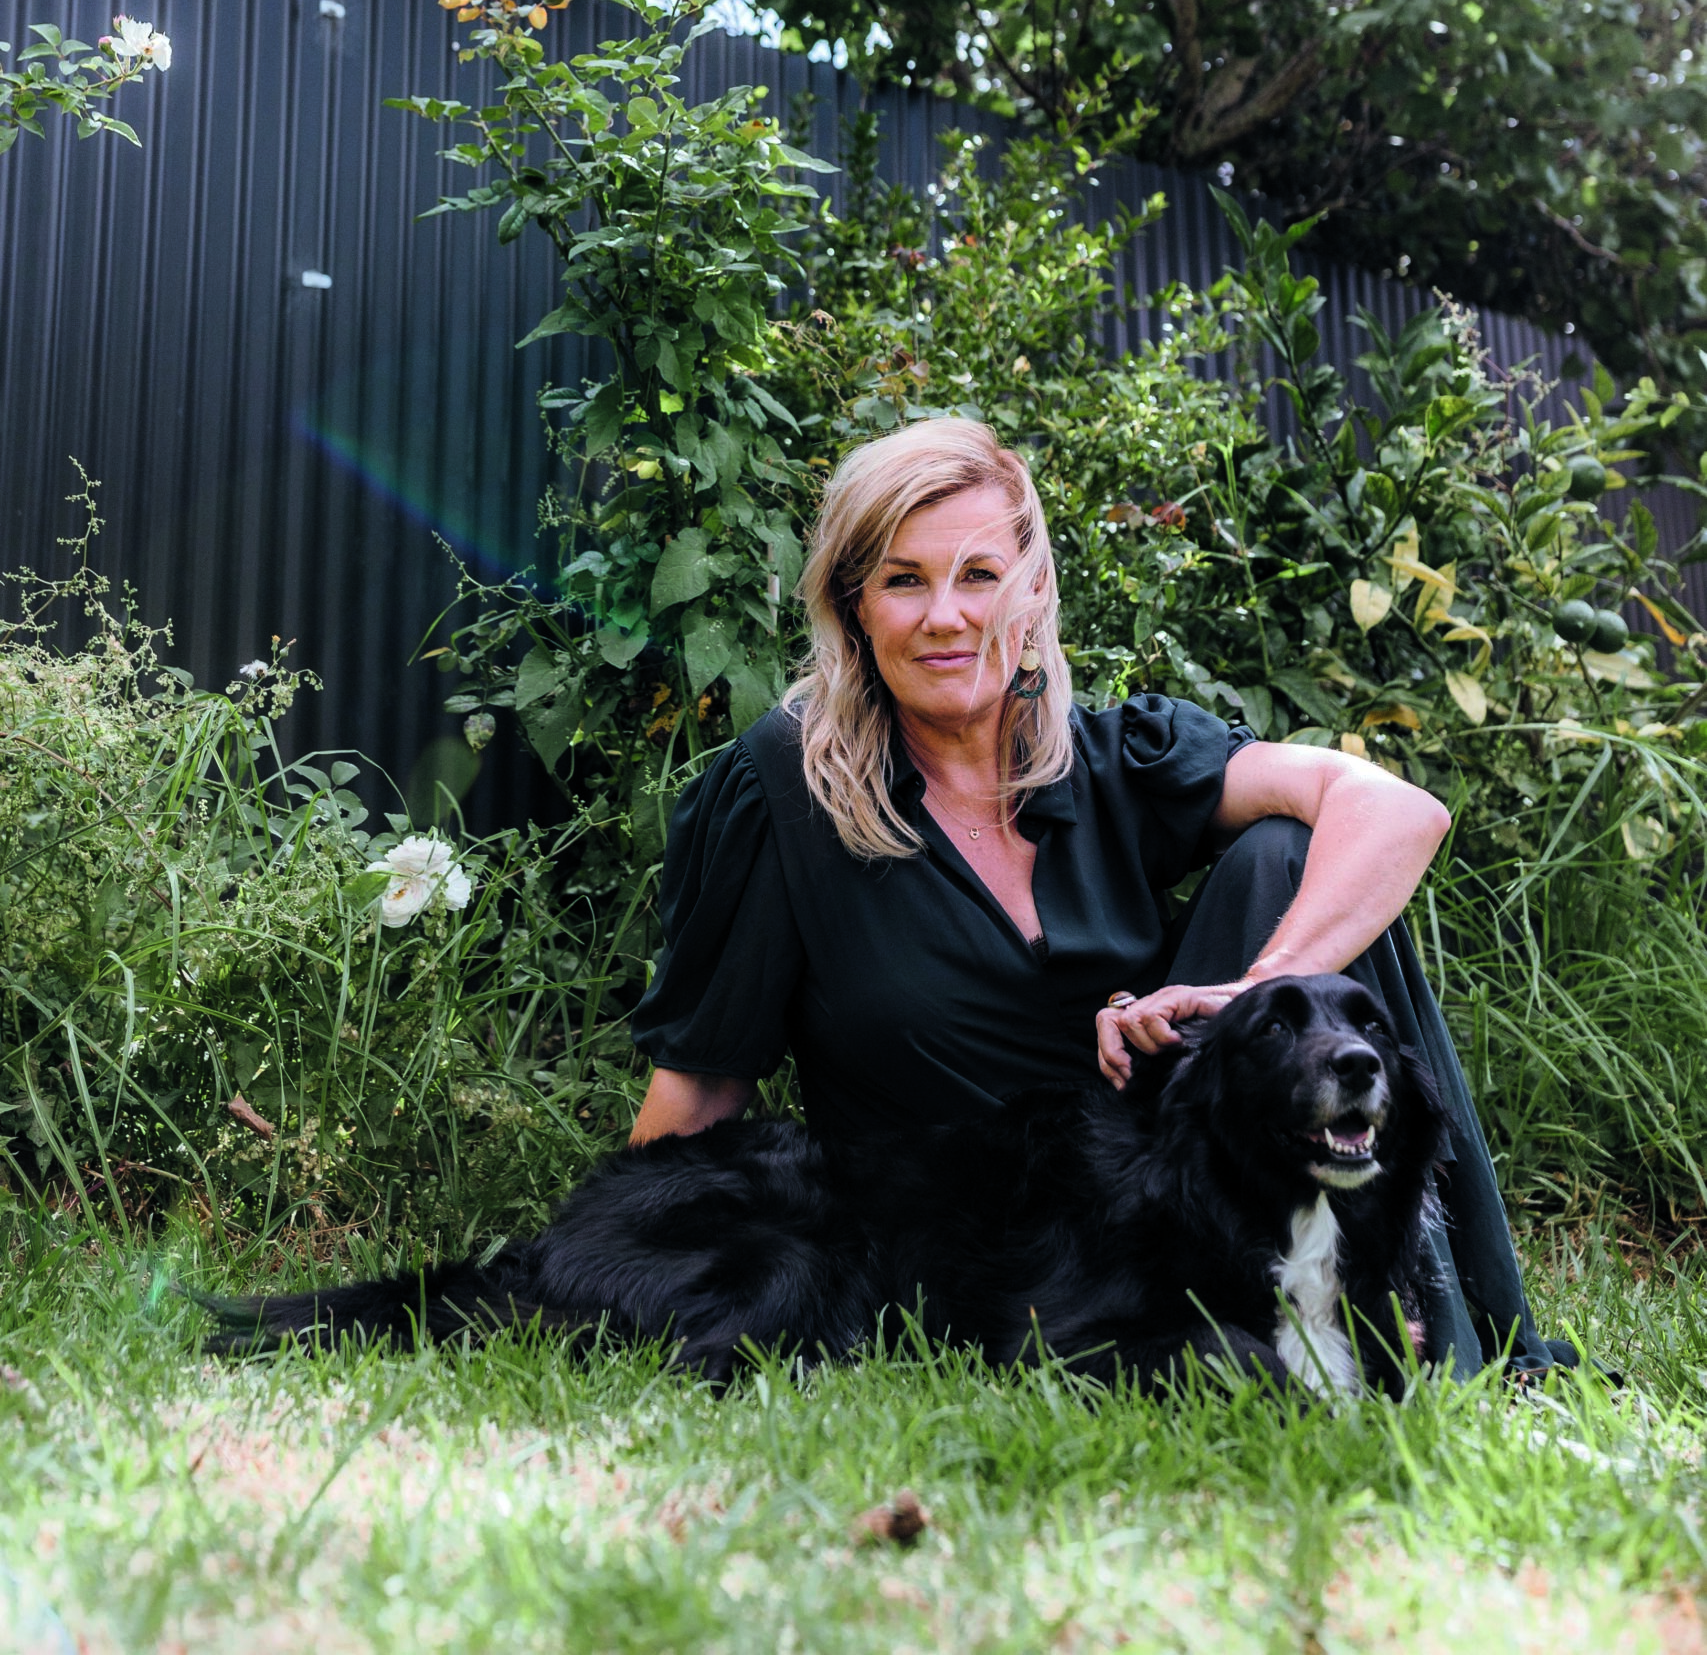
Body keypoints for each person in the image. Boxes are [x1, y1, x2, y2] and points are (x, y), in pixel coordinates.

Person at [630, 418, 1567, 1376]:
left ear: (1033, 592)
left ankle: (1459, 1342)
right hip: (976, 1243)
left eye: (980, 575)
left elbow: (1395, 809)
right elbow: (703, 1081)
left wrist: (1260, 985)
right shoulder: (785, 795)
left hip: (1173, 1208)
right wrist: (639, 1251)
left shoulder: (1116, 759)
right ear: (854, 604)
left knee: (1288, 853)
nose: (945, 616)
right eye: (904, 579)